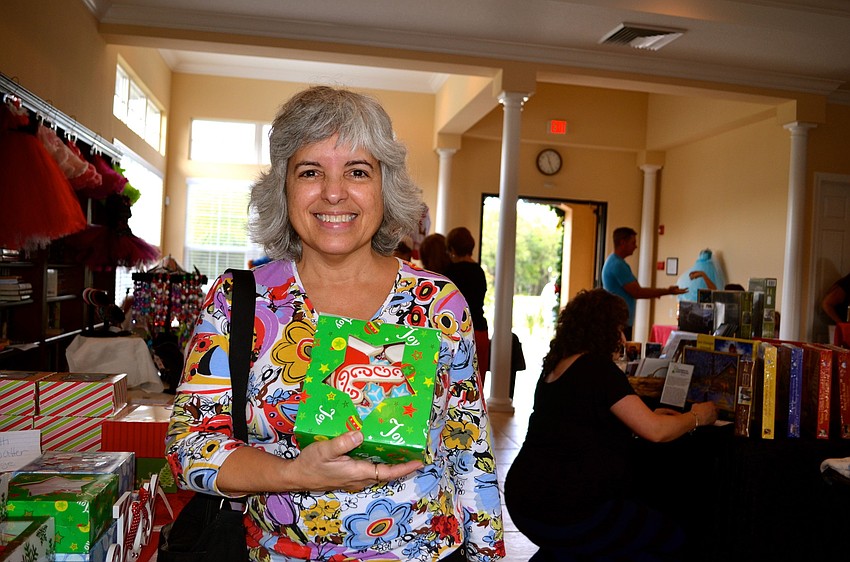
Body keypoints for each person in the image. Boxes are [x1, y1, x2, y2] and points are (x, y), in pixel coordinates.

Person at [165, 86, 504, 562]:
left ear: (385, 186)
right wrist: (294, 474)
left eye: (357, 171)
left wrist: (487, 555)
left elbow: (468, 448)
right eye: (310, 171)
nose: (333, 192)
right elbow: (189, 448)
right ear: (283, 188)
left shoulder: (438, 301)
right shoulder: (243, 300)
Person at [504, 288, 718, 561]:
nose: (622, 337)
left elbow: (582, 420)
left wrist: (646, 415)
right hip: (568, 508)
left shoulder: (558, 366)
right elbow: (656, 432)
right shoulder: (598, 369)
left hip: (526, 500)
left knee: (574, 546)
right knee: (669, 537)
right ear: (603, 329)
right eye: (618, 328)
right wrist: (698, 416)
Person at [601, 227, 685, 339]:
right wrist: (668, 291)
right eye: (633, 242)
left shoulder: (616, 262)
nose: (636, 246)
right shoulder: (617, 265)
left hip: (619, 321)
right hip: (618, 323)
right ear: (622, 242)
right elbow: (637, 292)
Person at [445, 226, 490, 377]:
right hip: (479, 328)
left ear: (451, 247)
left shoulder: (449, 272)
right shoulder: (479, 271)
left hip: (458, 332)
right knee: (477, 381)